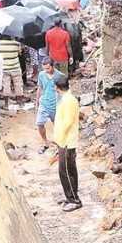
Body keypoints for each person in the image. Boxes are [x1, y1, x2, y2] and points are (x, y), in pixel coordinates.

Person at [53, 77, 81, 211]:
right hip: (65, 140)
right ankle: (71, 195)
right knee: (70, 170)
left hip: (66, 141)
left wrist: (59, 139)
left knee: (65, 172)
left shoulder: (68, 101)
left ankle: (74, 200)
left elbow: (67, 122)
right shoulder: (68, 99)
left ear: (57, 88)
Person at [35, 59, 65, 152]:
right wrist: (37, 102)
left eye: (48, 68)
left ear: (53, 66)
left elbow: (64, 92)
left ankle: (60, 144)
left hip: (56, 105)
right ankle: (45, 142)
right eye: (44, 69)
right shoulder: (41, 75)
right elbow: (40, 88)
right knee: (39, 123)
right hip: (44, 103)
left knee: (57, 125)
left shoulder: (60, 76)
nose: (46, 70)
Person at [0, 35, 24, 104]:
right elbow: (20, 53)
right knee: (18, 84)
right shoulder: (16, 43)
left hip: (4, 68)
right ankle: (20, 102)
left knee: (6, 85)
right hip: (16, 68)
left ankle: (6, 104)